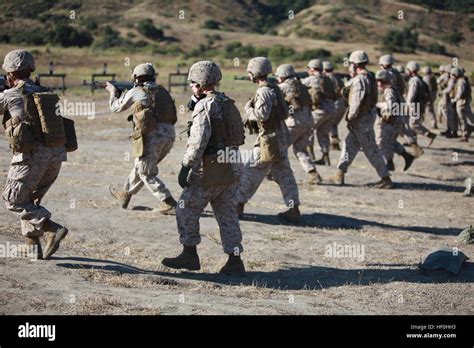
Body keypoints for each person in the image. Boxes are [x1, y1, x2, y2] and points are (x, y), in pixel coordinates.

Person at [162, 61, 245, 273]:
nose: (190, 86)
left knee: (186, 207)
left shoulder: (205, 105)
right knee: (227, 212)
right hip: (232, 163)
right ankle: (235, 260)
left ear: (200, 83)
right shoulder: (227, 102)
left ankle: (189, 254)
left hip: (212, 167)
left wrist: (186, 166)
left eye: (192, 83)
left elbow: (198, 141)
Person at [1, 50, 69, 259]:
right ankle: (31, 243)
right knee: (30, 198)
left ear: (10, 74)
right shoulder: (45, 92)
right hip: (56, 155)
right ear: (30, 69)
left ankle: (50, 228)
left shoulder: (12, 94)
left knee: (12, 199)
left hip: (31, 156)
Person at [236, 57, 301, 223]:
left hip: (269, 140)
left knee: (251, 171)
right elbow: (286, 113)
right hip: (280, 136)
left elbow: (262, 116)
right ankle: (293, 208)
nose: (248, 75)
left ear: (255, 73)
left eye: (250, 72)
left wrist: (248, 110)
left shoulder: (263, 91)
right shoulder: (275, 88)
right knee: (285, 174)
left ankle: (237, 205)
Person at [107, 63, 177, 214]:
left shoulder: (136, 91)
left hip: (152, 135)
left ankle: (168, 201)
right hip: (169, 135)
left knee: (145, 172)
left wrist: (113, 92)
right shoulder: (162, 90)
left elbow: (116, 107)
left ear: (137, 78)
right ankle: (125, 194)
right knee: (142, 166)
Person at [328, 50, 392, 189]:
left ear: (355, 64)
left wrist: (350, 117)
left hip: (360, 120)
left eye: (351, 63)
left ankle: (385, 178)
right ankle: (340, 173)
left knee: (371, 149)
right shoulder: (370, 76)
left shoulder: (359, 80)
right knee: (349, 145)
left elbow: (356, 102)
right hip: (366, 117)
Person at [274, 63, 322, 184]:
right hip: (308, 122)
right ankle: (313, 173)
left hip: (293, 123)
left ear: (283, 75)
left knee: (279, 148)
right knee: (300, 149)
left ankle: (273, 173)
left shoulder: (283, 87)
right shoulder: (301, 85)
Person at [374, 70, 415, 172]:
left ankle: (388, 164)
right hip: (395, 120)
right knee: (390, 141)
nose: (378, 83)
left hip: (392, 120)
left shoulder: (389, 91)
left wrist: (377, 105)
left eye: (379, 81)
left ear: (384, 81)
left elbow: (390, 105)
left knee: (382, 141)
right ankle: (404, 157)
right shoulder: (393, 89)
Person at [301, 59, 336, 166]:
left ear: (311, 69)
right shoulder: (328, 78)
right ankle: (325, 157)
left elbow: (300, 85)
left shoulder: (312, 78)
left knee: (308, 130)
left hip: (319, 110)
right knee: (323, 133)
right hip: (331, 110)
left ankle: (311, 157)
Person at [405, 61, 437, 146]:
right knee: (411, 122)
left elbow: (411, 95)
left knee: (413, 124)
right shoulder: (420, 79)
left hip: (414, 105)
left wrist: (407, 105)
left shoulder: (414, 81)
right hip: (419, 105)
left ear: (411, 70)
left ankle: (429, 134)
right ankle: (412, 141)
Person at [451, 67, 473, 142]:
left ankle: (465, 134)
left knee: (462, 119)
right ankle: (466, 133)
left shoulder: (461, 81)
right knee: (469, 119)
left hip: (461, 102)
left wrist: (454, 100)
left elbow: (460, 93)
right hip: (464, 102)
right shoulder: (462, 80)